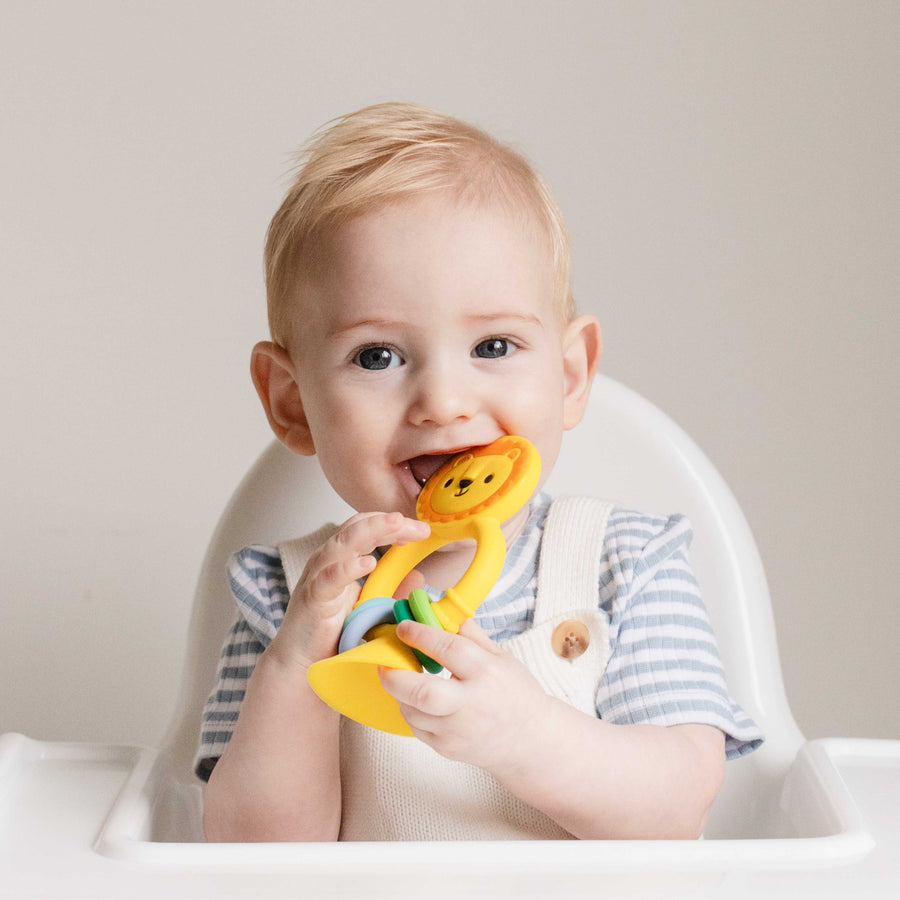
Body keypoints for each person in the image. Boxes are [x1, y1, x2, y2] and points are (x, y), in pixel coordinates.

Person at [197, 102, 763, 842]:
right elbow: (252, 856)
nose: (443, 401)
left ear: (568, 376)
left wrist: (521, 736)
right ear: (293, 402)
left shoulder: (625, 563)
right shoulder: (286, 597)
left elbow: (679, 803)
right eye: (378, 356)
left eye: (493, 346)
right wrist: (296, 667)